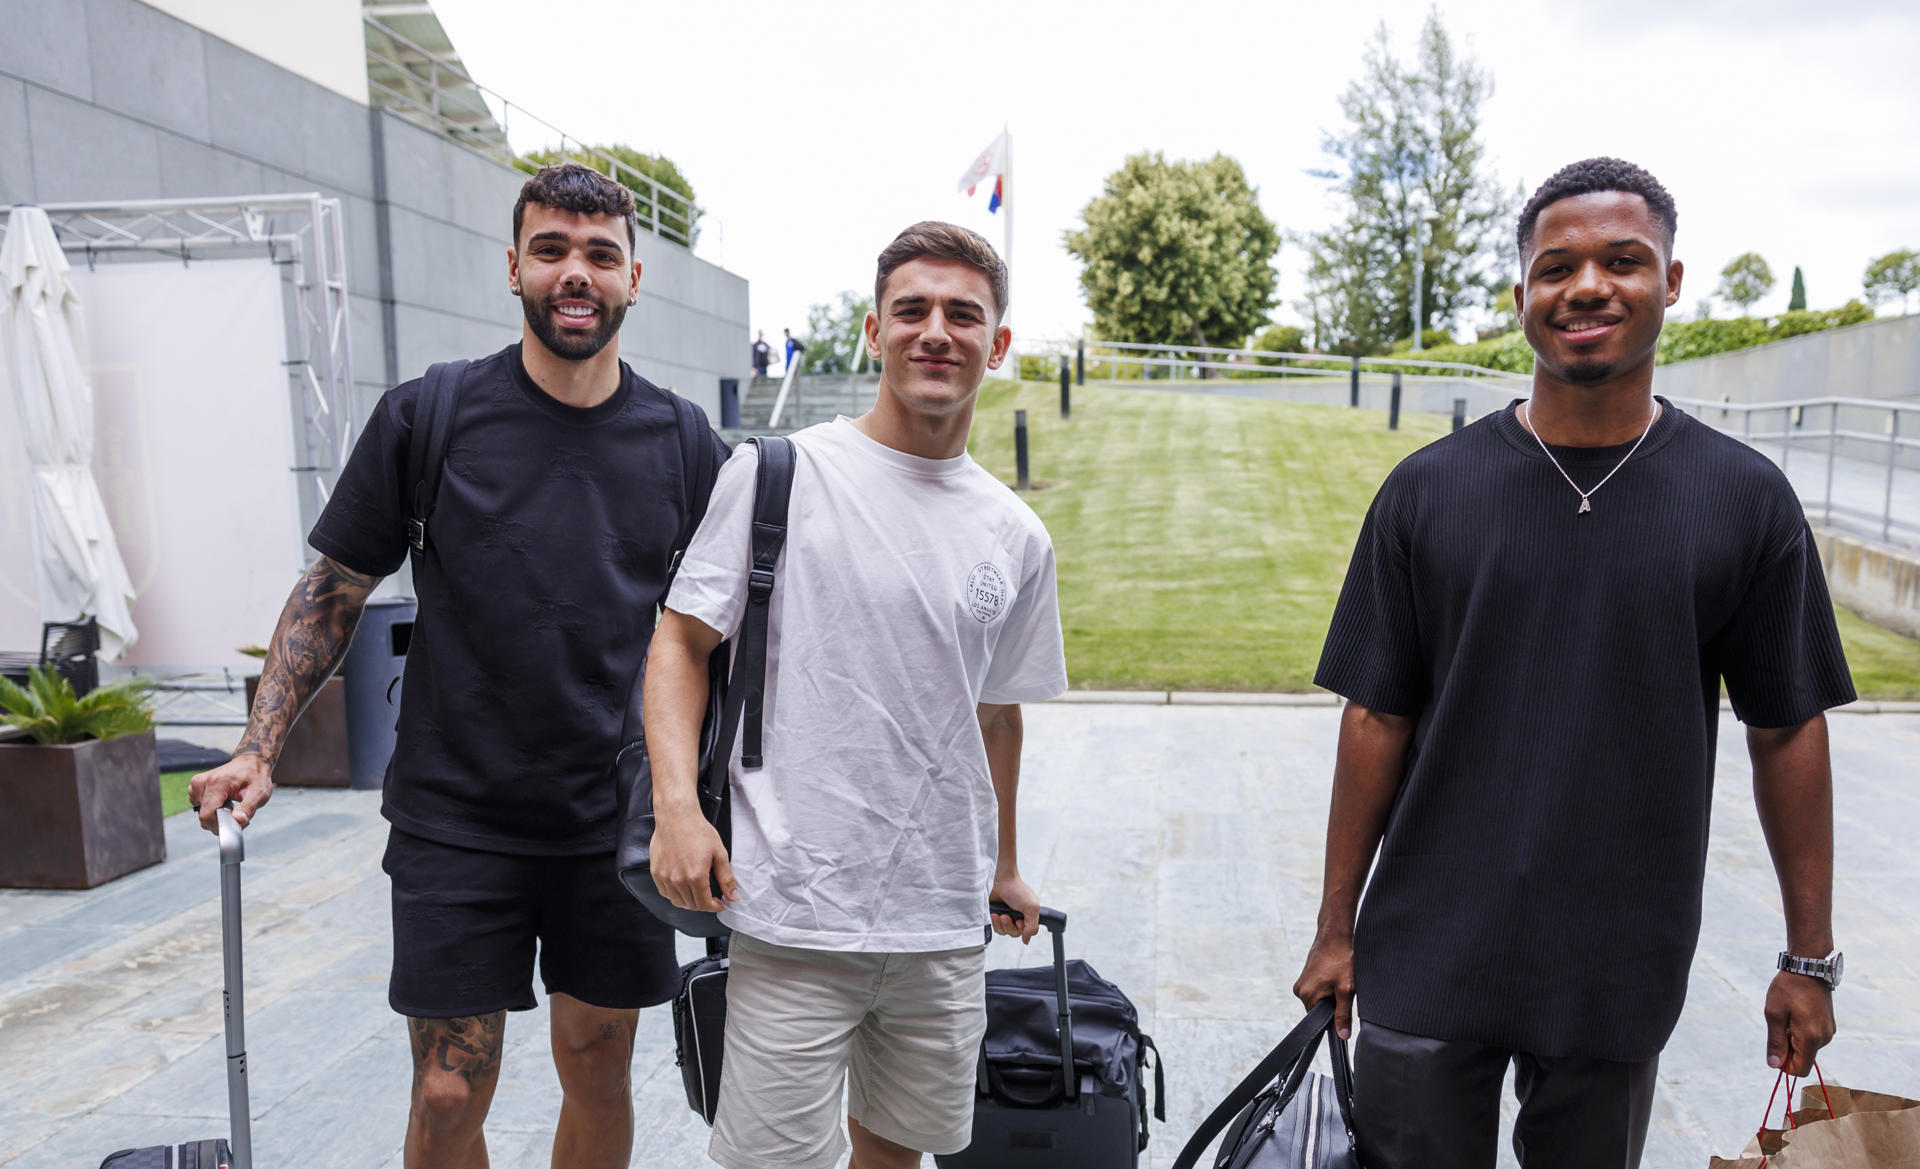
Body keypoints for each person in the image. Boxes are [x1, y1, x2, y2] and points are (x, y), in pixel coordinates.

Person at [1293, 157, 1854, 1169]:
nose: (1587, 286)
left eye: (1623, 260)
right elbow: (1375, 717)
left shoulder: (1743, 499)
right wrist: (1337, 925)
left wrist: (1807, 956)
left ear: (1671, 282)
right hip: (1429, 942)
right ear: (1522, 298)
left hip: (1617, 959)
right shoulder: (1427, 493)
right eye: (1556, 267)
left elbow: (1787, 726)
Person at [188, 163, 728, 1169]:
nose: (577, 272)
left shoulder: (683, 443)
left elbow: (717, 635)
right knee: (446, 1088)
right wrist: (261, 746)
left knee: (599, 1060)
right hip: (457, 816)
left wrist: (705, 801)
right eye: (554, 249)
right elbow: (334, 586)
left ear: (635, 278)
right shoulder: (427, 416)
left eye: (600, 254)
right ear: (514, 264)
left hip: (614, 818)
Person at [645, 221, 1067, 1169]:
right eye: (911, 309)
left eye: (964, 315)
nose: (936, 332)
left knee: (899, 1158)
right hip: (793, 904)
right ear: (874, 333)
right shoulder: (777, 474)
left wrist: (1002, 865)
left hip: (942, 920)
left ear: (996, 345)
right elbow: (679, 641)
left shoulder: (1017, 533)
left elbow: (995, 713)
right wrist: (677, 808)